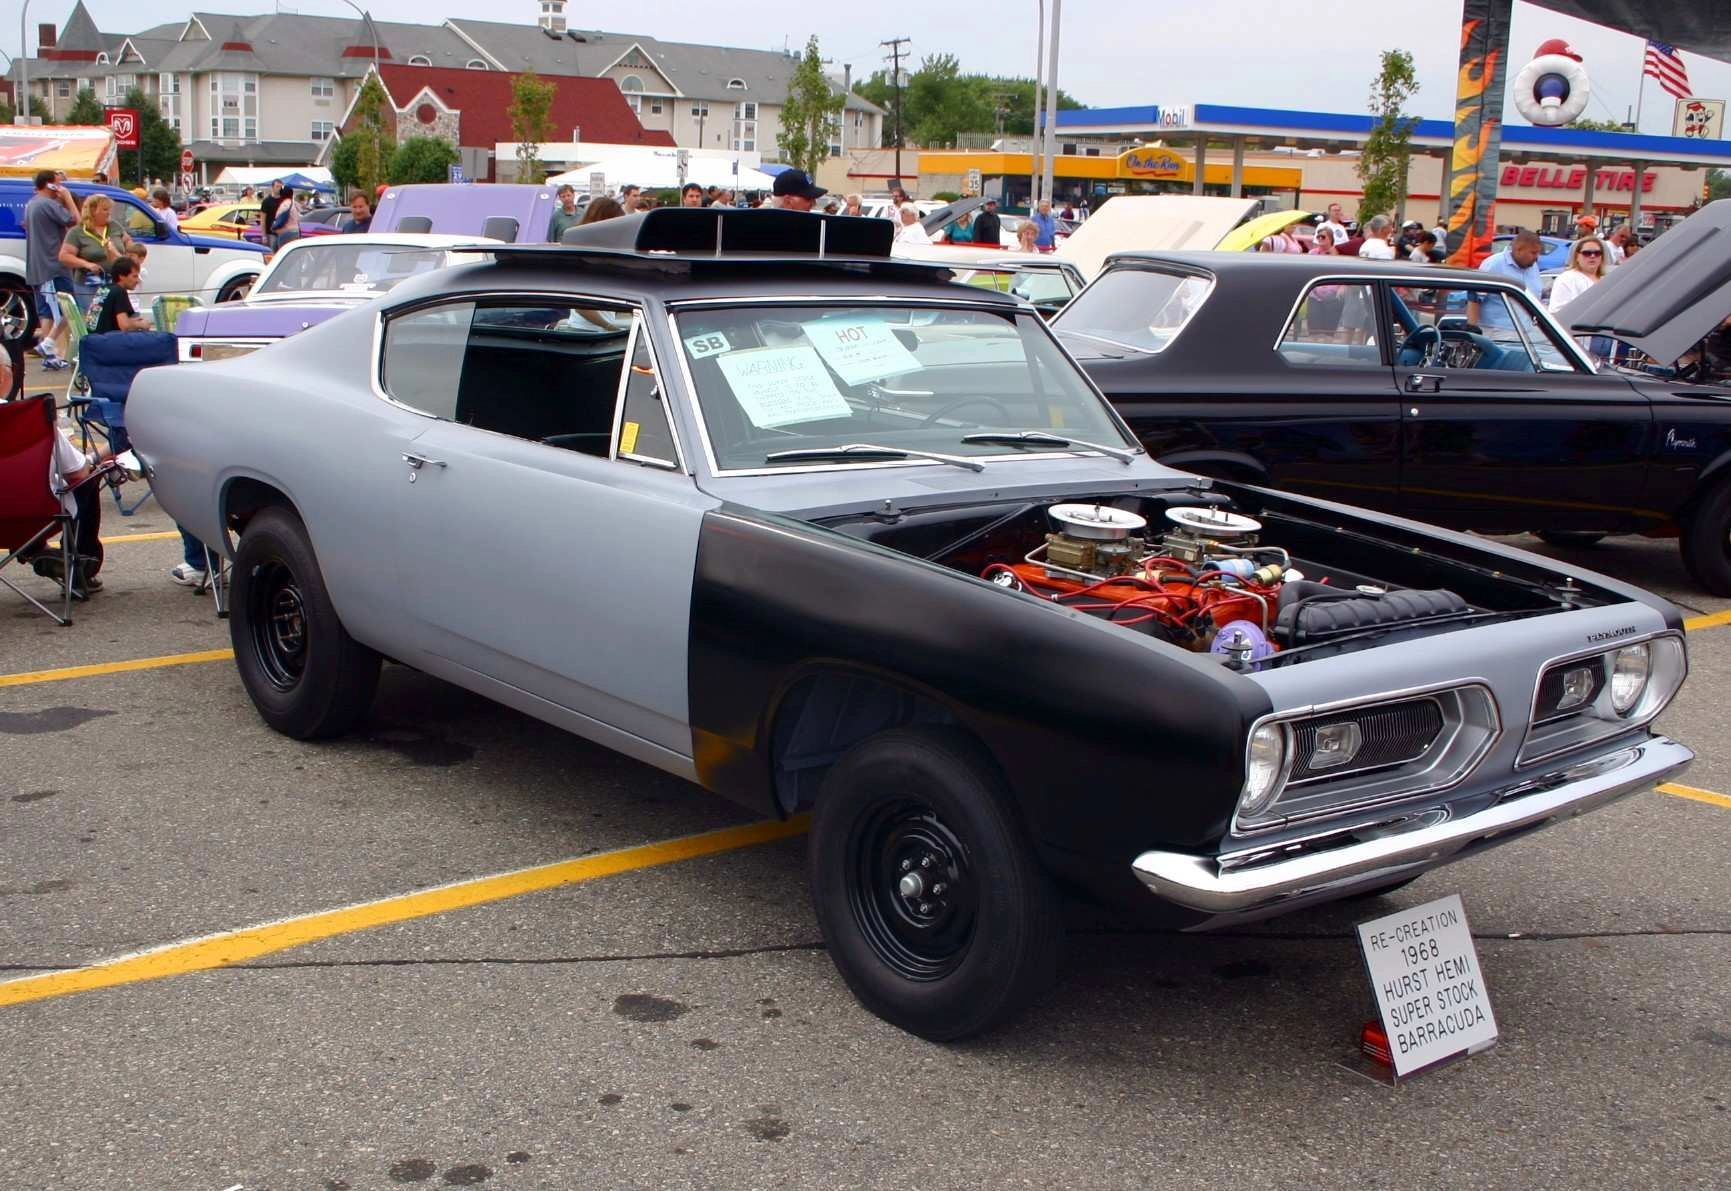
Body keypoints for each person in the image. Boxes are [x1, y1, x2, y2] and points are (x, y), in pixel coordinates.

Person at [24, 169, 80, 371]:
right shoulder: (48, 204)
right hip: (53, 266)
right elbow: (75, 221)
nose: (61, 187)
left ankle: (49, 354)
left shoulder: (32, 203)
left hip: (37, 266)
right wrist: (68, 198)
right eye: (58, 183)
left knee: (46, 311)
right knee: (70, 306)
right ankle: (49, 344)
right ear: (49, 184)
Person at [60, 193, 128, 313]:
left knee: (115, 315)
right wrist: (86, 264)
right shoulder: (77, 232)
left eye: (109, 209)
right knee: (93, 317)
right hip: (89, 284)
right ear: (92, 210)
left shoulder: (114, 227)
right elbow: (64, 256)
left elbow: (129, 244)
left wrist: (127, 259)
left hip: (114, 282)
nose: (109, 213)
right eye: (105, 209)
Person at [1469, 229, 1544, 332]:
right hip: (1497, 331)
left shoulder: (1533, 267)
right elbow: (1474, 298)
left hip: (1526, 331)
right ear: (1518, 249)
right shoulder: (1494, 264)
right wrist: (1472, 329)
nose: (1537, 258)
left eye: (1538, 253)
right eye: (1533, 253)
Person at [87, 255, 150, 334]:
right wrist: (141, 324)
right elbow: (124, 326)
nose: (137, 281)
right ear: (122, 276)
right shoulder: (119, 291)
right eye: (134, 276)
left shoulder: (103, 288)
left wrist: (133, 321)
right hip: (107, 339)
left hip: (92, 337)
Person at [1548, 236, 1606, 314]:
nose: (1592, 256)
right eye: (1587, 253)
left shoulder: (1607, 279)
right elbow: (1556, 312)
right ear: (1577, 256)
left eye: (1597, 253)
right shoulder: (1567, 278)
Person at [258, 180, 284, 247]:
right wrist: (264, 235)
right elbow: (263, 219)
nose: (279, 188)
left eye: (281, 187)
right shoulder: (266, 201)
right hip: (271, 233)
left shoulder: (284, 200)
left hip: (283, 232)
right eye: (277, 186)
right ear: (272, 187)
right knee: (272, 251)